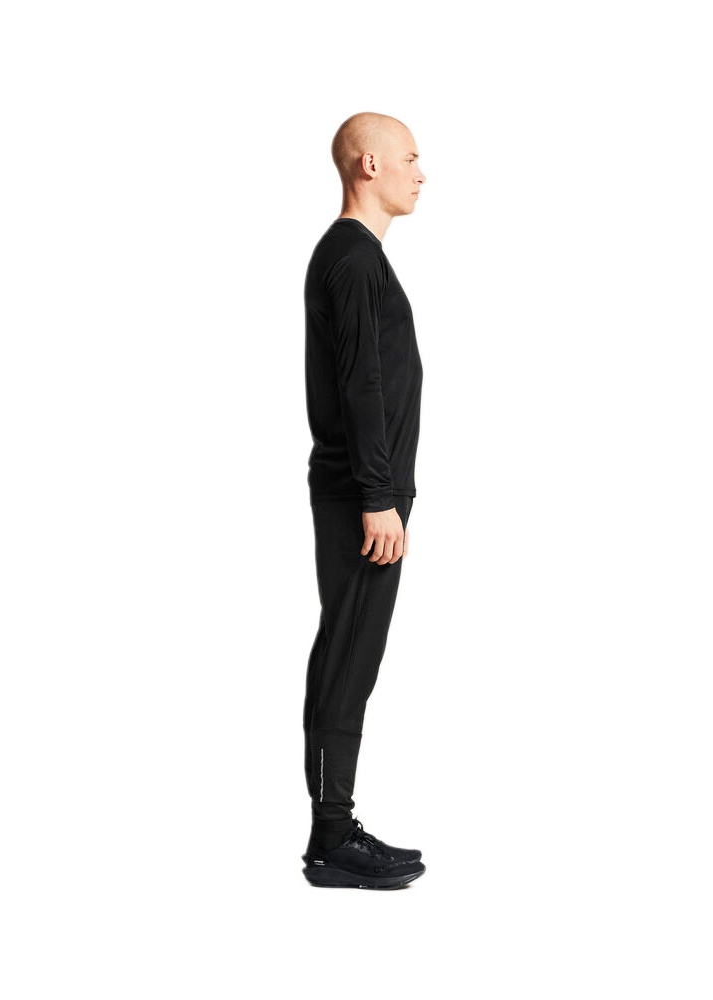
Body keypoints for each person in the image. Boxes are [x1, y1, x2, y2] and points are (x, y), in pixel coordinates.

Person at [300, 112, 427, 889]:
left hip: (371, 494)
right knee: (347, 660)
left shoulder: (360, 258)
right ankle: (331, 838)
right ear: (369, 165)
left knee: (354, 658)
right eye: (410, 158)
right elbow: (361, 385)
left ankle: (335, 830)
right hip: (362, 498)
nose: (422, 172)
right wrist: (379, 496)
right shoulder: (351, 258)